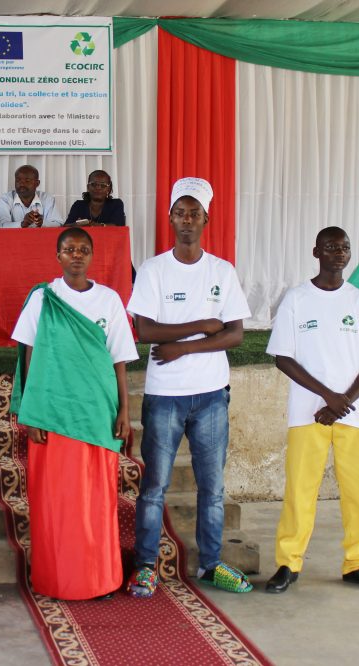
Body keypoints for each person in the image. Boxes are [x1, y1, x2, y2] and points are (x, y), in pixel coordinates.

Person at [125, 177, 253, 597]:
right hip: (165, 394)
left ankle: (211, 565)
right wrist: (201, 326)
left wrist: (182, 347)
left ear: (205, 220)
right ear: (170, 218)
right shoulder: (154, 269)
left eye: (194, 213)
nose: (186, 220)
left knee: (212, 488)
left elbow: (235, 334)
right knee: (154, 486)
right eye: (180, 213)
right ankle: (146, 566)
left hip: (212, 393)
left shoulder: (222, 271)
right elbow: (145, 330)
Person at [264, 227, 359, 593]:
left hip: (353, 415)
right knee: (300, 490)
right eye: (331, 247)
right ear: (316, 252)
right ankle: (288, 563)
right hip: (307, 413)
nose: (339, 253)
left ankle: (358, 562)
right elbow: (283, 358)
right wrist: (327, 397)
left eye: (344, 247)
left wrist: (342, 401)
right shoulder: (296, 299)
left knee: (356, 491)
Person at [10, 227, 138, 600]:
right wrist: (32, 412)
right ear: (58, 256)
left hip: (97, 412)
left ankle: (99, 580)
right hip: (53, 413)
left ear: (92, 256)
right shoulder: (43, 299)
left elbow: (119, 359)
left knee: (96, 501)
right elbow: (29, 355)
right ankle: (57, 579)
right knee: (57, 501)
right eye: (69, 249)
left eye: (83, 249)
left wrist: (124, 411)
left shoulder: (109, 300)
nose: (76, 255)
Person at [0, 165, 64, 228]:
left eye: (27, 181)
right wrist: (22, 224)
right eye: (18, 180)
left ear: (37, 183)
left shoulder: (47, 198)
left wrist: (42, 223)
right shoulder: (6, 199)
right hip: (14, 237)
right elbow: (0, 225)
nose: (22, 184)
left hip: (40, 237)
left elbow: (58, 223)